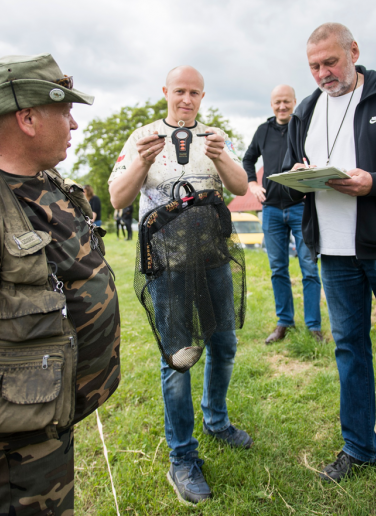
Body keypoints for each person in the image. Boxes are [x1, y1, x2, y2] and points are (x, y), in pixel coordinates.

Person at [109, 65, 251, 505]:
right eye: (179, 91)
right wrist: (143, 160)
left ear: (202, 96)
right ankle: (182, 456)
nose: (186, 99)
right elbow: (117, 198)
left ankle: (216, 419)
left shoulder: (215, 137)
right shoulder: (142, 136)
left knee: (223, 344)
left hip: (213, 257)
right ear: (165, 92)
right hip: (167, 264)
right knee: (178, 358)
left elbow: (241, 186)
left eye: (194, 93)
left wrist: (223, 154)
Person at [0, 53, 121, 514]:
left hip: (50, 420)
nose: (74, 125)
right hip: (14, 446)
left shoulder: (49, 183)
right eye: (64, 111)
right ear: (27, 118)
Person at [283, 23, 376, 491]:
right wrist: (295, 179)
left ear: (354, 51)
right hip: (332, 252)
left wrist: (375, 183)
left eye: (330, 62)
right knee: (349, 348)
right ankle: (360, 448)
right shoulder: (305, 110)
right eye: (314, 66)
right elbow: (294, 167)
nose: (323, 73)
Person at [243, 85, 323, 343]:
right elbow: (248, 159)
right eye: (277, 102)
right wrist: (253, 184)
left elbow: (318, 157)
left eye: (286, 102)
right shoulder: (262, 131)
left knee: (309, 268)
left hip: (300, 207)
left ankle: (313, 326)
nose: (282, 107)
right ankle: (284, 322)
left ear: (294, 102)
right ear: (271, 104)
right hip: (271, 210)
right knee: (278, 269)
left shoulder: (302, 127)